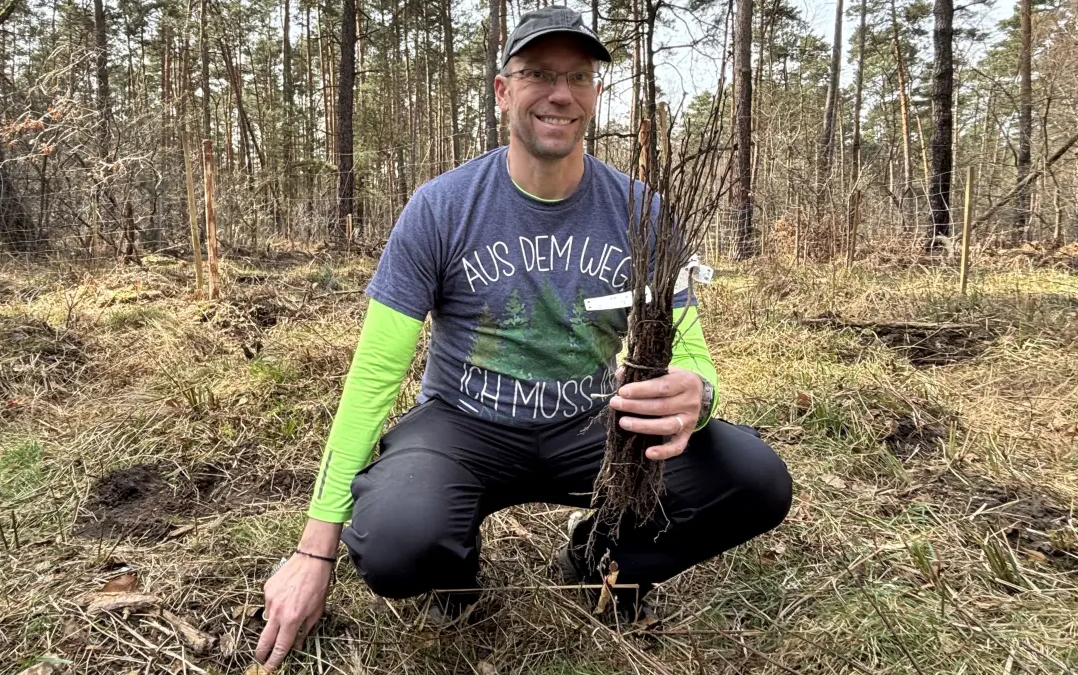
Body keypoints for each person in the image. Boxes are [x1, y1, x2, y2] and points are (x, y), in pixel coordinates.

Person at [253, 6, 792, 670]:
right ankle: (453, 565)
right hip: (464, 425)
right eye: (538, 72)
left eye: (578, 76)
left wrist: (698, 395)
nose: (560, 92)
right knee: (397, 540)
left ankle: (595, 554)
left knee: (755, 478)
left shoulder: (643, 213)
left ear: (594, 95)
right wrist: (313, 550)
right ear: (503, 90)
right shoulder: (442, 208)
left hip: (592, 428)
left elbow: (692, 355)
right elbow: (372, 379)